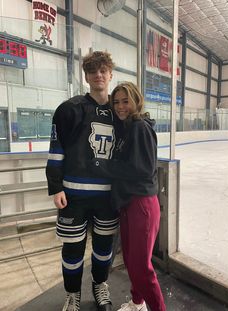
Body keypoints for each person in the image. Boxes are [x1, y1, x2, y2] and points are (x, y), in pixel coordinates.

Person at [46, 51, 119, 311]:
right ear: (86, 76)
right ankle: (72, 294)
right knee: (73, 250)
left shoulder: (120, 111)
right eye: (92, 71)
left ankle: (100, 285)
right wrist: (55, 187)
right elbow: (57, 150)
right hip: (74, 196)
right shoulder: (70, 109)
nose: (98, 75)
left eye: (102, 70)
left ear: (110, 74)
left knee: (103, 249)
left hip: (108, 197)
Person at [89, 82, 166, 311]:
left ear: (136, 100)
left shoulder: (139, 127)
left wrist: (104, 166)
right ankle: (137, 302)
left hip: (141, 203)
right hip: (128, 203)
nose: (120, 107)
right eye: (116, 102)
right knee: (132, 263)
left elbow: (143, 169)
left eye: (125, 101)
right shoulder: (126, 128)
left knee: (142, 267)